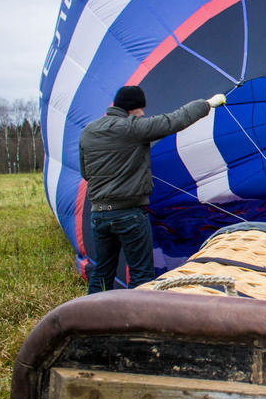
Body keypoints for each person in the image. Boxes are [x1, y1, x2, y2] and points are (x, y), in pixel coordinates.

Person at [79, 85, 227, 294]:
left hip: (99, 214)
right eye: (141, 110)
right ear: (133, 109)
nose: (143, 114)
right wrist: (207, 105)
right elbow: (175, 120)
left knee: (102, 271)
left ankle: (90, 318)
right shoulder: (133, 128)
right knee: (141, 274)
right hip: (128, 213)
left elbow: (86, 172)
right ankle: (138, 321)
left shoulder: (89, 131)